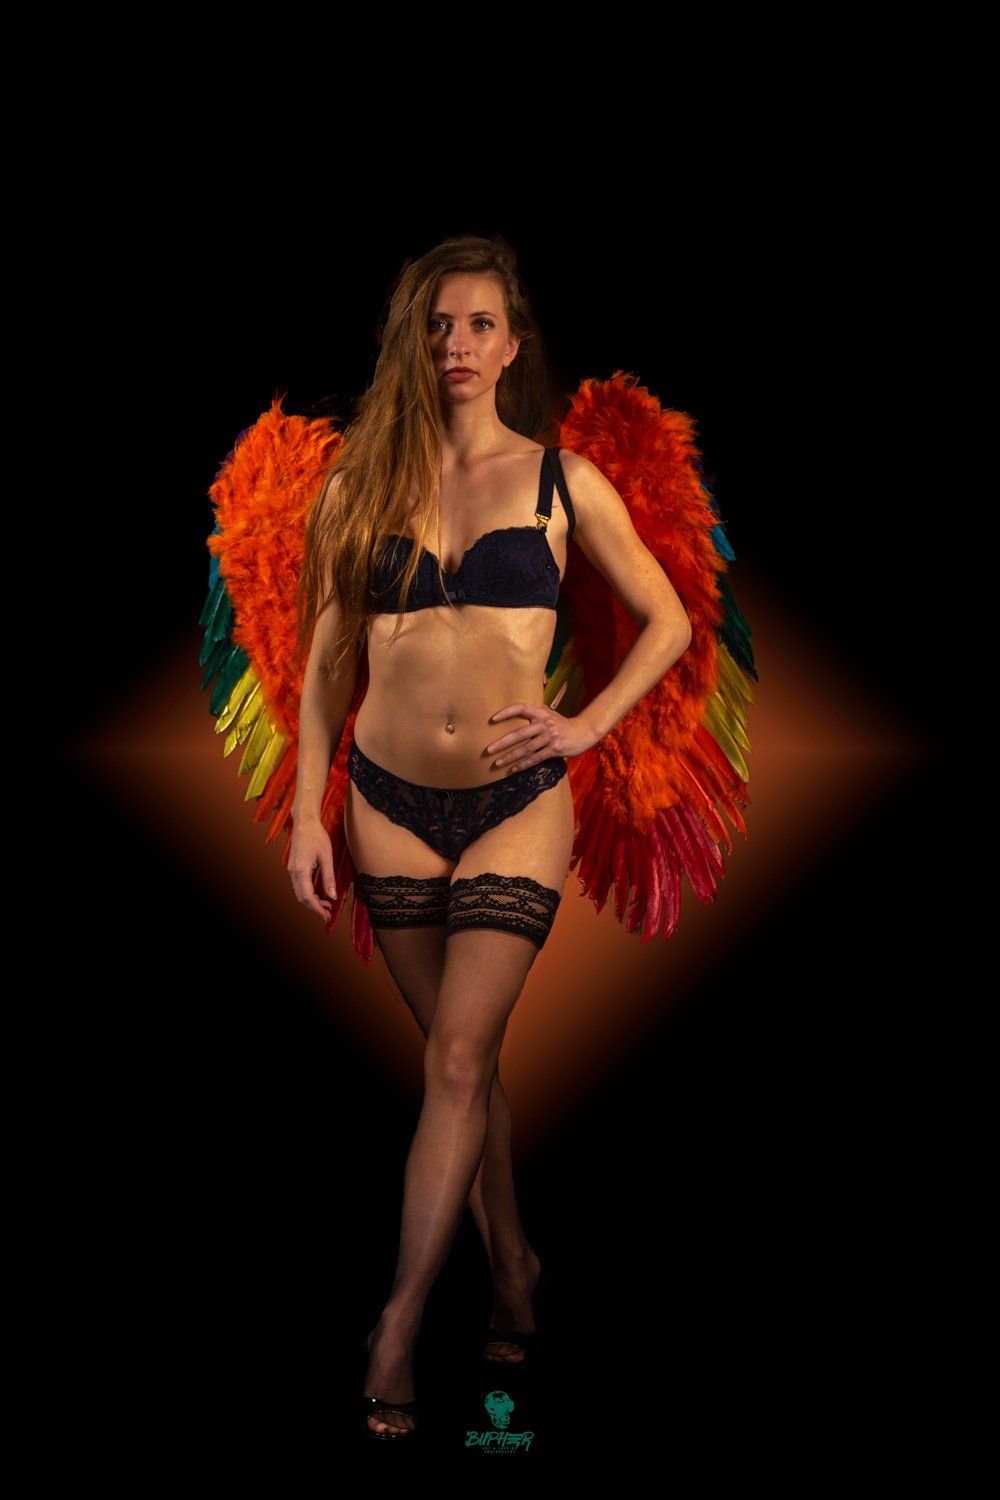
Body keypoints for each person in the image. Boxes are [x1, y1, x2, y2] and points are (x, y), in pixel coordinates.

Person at [285, 234, 693, 1439]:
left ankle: (397, 1325)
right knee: (458, 1062)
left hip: (515, 804)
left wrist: (587, 726)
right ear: (411, 342)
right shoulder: (362, 482)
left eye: (477, 325)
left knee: (460, 1061)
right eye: (436, 325)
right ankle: (511, 1262)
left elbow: (668, 619)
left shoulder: (563, 482)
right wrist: (307, 809)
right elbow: (325, 660)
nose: (455, 345)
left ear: (512, 346)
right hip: (384, 803)